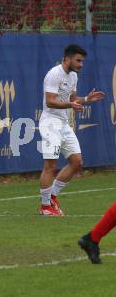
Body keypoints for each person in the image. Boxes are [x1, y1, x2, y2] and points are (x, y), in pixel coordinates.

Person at [38, 44, 104, 216]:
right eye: (78, 60)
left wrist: (88, 98)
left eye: (82, 61)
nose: (81, 64)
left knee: (77, 162)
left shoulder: (73, 76)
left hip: (63, 123)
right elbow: (50, 101)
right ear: (67, 58)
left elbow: (73, 99)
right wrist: (69, 104)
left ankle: (52, 196)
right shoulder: (54, 74)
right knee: (50, 165)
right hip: (50, 123)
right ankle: (45, 207)